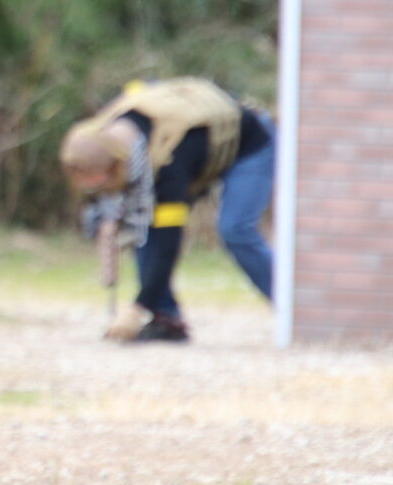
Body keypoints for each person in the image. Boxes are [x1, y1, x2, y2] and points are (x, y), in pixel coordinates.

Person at [60, 77, 275, 343]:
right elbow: (135, 218)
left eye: (100, 184)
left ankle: (295, 308)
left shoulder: (168, 163)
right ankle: (166, 320)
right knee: (143, 226)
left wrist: (138, 307)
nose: (95, 190)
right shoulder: (110, 132)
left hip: (250, 145)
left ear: (117, 167)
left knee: (235, 229)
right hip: (195, 151)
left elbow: (168, 243)